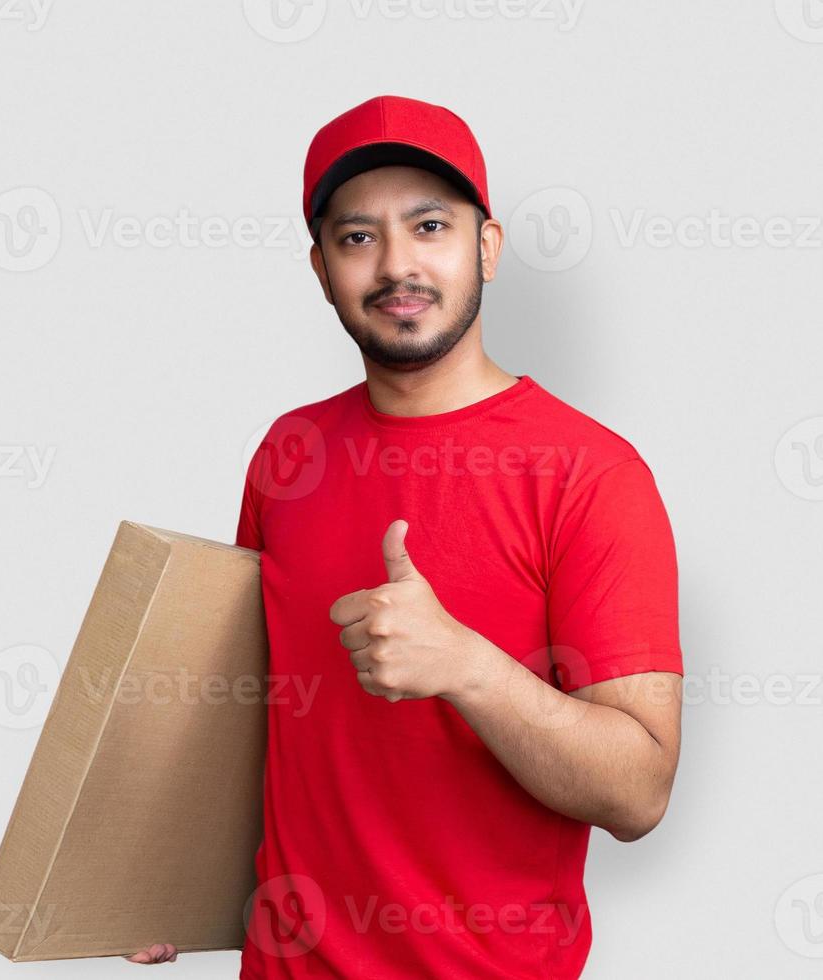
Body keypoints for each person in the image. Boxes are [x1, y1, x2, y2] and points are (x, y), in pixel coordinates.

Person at [126, 94, 683, 977]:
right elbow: (259, 711)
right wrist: (176, 881)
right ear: (319, 268)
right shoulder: (289, 452)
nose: (396, 265)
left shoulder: (592, 475)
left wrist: (465, 665)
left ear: (486, 248)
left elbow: (639, 792)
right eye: (357, 238)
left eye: (429, 225)